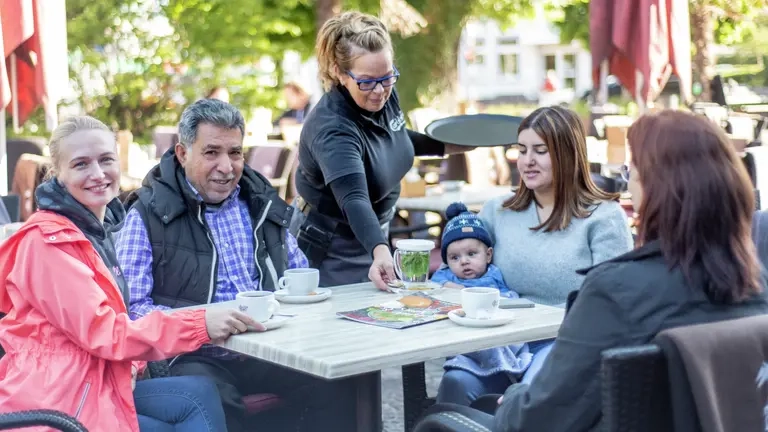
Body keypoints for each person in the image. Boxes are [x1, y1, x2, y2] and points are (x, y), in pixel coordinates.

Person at [427, 109, 768, 431]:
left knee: (439, 419)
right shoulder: (755, 284)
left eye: (631, 172)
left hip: (551, 390)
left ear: (656, 189)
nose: (628, 185)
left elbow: (540, 416)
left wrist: (513, 399)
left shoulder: (616, 290)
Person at [0, 115, 260, 431]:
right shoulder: (49, 242)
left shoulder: (96, 229)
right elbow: (105, 333)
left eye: (106, 160)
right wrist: (200, 324)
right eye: (81, 164)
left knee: (201, 392)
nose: (97, 174)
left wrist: (135, 364)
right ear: (58, 173)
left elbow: (106, 325)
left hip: (94, 375)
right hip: (60, 400)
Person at [116, 98, 356, 432]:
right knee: (214, 398)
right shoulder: (147, 215)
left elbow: (297, 278)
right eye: (211, 152)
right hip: (191, 356)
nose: (227, 167)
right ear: (183, 154)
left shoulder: (261, 205)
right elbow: (129, 310)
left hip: (270, 350)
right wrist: (201, 321)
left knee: (338, 379)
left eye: (235, 153)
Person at [436, 106, 634, 406]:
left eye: (540, 151)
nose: (527, 160)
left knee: (529, 401)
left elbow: (615, 303)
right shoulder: (497, 210)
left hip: (565, 345)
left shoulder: (604, 217)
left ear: (567, 155)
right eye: (522, 149)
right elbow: (457, 269)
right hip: (498, 343)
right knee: (455, 383)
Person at [293, 11, 475, 288]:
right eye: (366, 81)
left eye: (387, 78)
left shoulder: (380, 95)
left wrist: (451, 144)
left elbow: (395, 138)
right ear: (339, 73)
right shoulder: (332, 128)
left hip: (375, 230)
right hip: (331, 241)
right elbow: (353, 197)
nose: (379, 90)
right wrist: (379, 250)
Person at [430, 202, 509, 292]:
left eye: (471, 254)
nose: (463, 262)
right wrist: (447, 285)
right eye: (455, 257)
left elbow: (507, 296)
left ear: (488, 255)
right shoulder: (446, 275)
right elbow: (432, 285)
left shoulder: (493, 274)